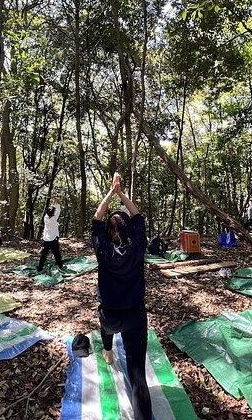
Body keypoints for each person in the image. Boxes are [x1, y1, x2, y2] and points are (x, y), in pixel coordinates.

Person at [92, 173, 151, 420]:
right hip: (135, 315)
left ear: (108, 231)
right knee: (137, 374)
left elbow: (97, 218)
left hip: (110, 315)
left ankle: (107, 350)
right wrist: (122, 193)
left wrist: (111, 193)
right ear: (130, 230)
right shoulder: (138, 245)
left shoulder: (102, 248)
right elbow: (137, 216)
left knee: (105, 322)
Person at [37, 197, 64, 272]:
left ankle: (40, 267)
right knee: (56, 253)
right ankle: (60, 266)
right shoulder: (54, 218)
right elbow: (58, 211)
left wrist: (53, 203)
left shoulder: (45, 218)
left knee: (44, 254)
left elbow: (50, 210)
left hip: (46, 239)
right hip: (53, 239)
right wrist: (57, 203)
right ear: (53, 213)